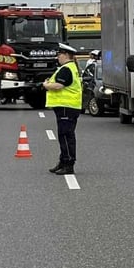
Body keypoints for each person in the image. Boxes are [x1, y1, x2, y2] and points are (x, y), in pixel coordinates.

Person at [42, 43, 82, 175]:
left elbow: (59, 86)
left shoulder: (66, 69)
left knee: (65, 135)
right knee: (65, 135)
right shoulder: (72, 67)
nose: (58, 57)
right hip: (69, 107)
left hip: (67, 106)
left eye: (59, 54)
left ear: (65, 55)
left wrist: (46, 85)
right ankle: (63, 161)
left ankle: (68, 163)